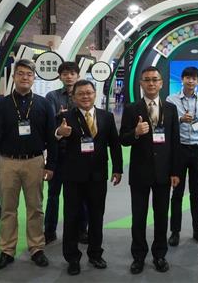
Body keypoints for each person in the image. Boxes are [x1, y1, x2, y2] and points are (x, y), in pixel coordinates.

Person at [0, 59, 57, 271]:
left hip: (35, 161)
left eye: (29, 74)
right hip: (7, 162)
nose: (25, 77)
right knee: (8, 208)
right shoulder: (1, 104)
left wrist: (50, 165)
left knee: (35, 208)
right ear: (14, 76)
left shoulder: (44, 104)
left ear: (34, 78)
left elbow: (51, 137)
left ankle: (36, 248)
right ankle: (7, 250)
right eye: (20, 73)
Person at [54, 80, 123, 276]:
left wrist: (117, 169)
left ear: (95, 94)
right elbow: (52, 139)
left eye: (89, 93)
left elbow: (114, 144)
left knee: (96, 216)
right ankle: (72, 258)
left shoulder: (106, 116)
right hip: (73, 176)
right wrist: (60, 133)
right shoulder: (65, 117)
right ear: (74, 97)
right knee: (71, 217)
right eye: (81, 93)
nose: (85, 96)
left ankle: (95, 253)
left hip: (98, 176)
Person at [119, 66, 180, 274]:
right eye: (147, 80)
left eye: (155, 79)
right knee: (139, 217)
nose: (151, 83)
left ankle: (159, 255)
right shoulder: (131, 109)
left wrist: (175, 171)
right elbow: (123, 139)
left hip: (164, 173)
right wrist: (135, 133)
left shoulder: (170, 109)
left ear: (161, 83)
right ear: (141, 83)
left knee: (161, 217)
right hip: (140, 172)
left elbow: (175, 142)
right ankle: (138, 256)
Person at [166, 67, 198, 246]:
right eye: (187, 78)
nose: (190, 81)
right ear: (182, 79)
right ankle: (175, 231)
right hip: (179, 149)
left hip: (197, 149)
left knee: (196, 192)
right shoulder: (171, 99)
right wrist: (180, 119)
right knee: (177, 192)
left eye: (194, 78)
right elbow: (167, 123)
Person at [44, 61, 88, 244]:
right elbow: (48, 122)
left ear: (77, 75)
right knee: (53, 194)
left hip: (79, 152)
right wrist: (59, 116)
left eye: (72, 73)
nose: (69, 77)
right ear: (60, 76)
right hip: (58, 152)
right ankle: (49, 230)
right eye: (65, 74)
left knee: (81, 194)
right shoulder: (52, 96)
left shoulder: (84, 94)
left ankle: (82, 230)